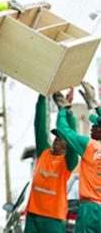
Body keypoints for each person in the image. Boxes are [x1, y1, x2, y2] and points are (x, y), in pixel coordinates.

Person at [24, 91, 78, 233]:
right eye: (56, 137)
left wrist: (67, 112)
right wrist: (42, 97)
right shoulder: (44, 153)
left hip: (53, 219)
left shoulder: (67, 163)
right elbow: (40, 126)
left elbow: (74, 139)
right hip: (33, 215)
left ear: (67, 145)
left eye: (60, 138)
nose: (56, 140)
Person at [55, 81, 101, 233]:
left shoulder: (90, 146)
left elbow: (63, 129)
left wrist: (64, 109)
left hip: (90, 210)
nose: (92, 127)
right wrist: (95, 104)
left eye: (96, 126)